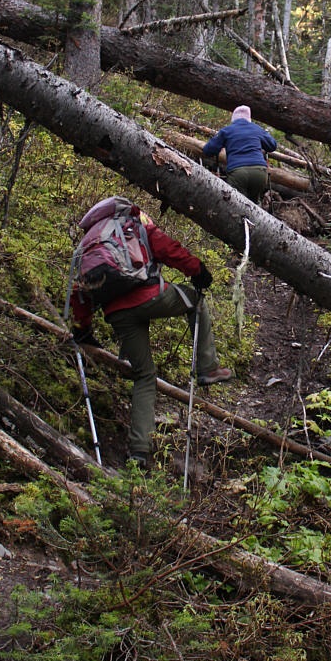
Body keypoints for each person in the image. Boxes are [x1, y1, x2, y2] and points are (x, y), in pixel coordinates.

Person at [70, 199, 232, 467]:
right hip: (149, 296)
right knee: (196, 301)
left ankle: (139, 451)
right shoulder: (134, 223)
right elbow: (169, 249)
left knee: (144, 376)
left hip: (117, 315)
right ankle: (208, 367)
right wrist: (198, 270)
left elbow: (80, 294)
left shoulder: (89, 242)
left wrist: (82, 330)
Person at [202, 105, 277, 204]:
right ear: (248, 118)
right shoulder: (257, 129)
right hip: (260, 172)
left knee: (238, 206)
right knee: (255, 205)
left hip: (238, 172)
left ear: (233, 118)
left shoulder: (226, 130)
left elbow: (208, 150)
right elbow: (272, 146)